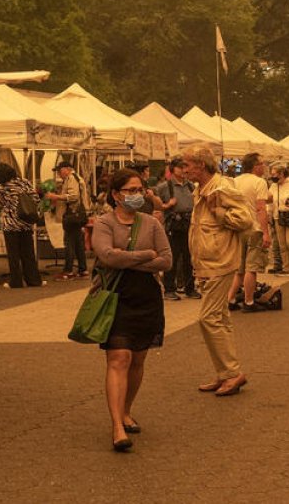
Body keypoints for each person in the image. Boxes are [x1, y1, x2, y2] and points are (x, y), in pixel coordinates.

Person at [92, 168, 172, 452]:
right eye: (130, 190)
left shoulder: (151, 223)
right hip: (116, 297)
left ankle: (126, 410)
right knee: (119, 357)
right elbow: (106, 256)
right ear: (116, 195)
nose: (137, 195)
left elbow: (166, 261)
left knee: (138, 359)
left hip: (147, 298)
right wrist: (145, 255)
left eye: (141, 189)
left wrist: (130, 260)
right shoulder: (104, 223)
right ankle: (116, 426)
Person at [181, 145, 254, 396]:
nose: (184, 169)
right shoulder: (201, 188)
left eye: (187, 164)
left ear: (201, 165)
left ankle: (232, 373)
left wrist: (219, 211)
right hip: (209, 261)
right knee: (219, 318)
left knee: (209, 318)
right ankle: (226, 372)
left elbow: (245, 220)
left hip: (220, 261)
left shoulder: (222, 187)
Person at [228, 153, 271, 313]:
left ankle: (230, 299)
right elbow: (261, 208)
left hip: (238, 227)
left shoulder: (234, 182)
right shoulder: (259, 182)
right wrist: (266, 232)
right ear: (255, 166)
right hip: (254, 228)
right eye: (262, 163)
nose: (264, 166)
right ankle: (249, 301)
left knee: (239, 268)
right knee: (251, 268)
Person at [0, 163, 44, 288]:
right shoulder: (25, 182)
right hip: (26, 223)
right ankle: (34, 280)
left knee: (13, 255)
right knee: (28, 253)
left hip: (10, 225)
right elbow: (36, 199)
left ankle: (16, 281)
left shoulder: (0, 188)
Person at [155, 158, 198, 299]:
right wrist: (167, 205)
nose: (184, 170)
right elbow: (155, 205)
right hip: (173, 226)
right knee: (172, 257)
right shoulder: (163, 187)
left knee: (189, 258)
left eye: (185, 167)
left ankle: (190, 288)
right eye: (180, 167)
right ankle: (169, 289)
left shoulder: (191, 186)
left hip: (189, 225)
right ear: (173, 169)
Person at [46, 161, 88, 280]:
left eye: (60, 171)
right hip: (78, 215)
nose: (59, 174)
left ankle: (68, 271)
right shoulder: (76, 177)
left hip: (72, 215)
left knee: (69, 243)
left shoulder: (71, 178)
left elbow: (73, 196)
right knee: (78, 243)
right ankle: (82, 269)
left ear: (67, 169)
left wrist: (56, 197)